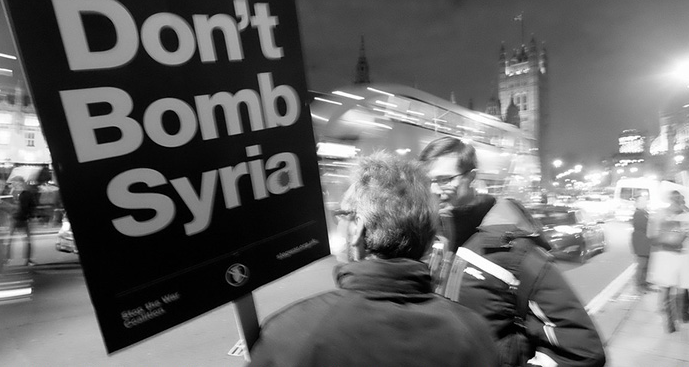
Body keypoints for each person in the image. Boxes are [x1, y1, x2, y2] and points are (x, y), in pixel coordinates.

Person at [247, 152, 499, 367]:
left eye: (343, 214)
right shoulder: (473, 333)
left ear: (358, 228)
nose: (339, 222)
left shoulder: (292, 333)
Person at [418, 135, 606, 367]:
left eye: (445, 179)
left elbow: (583, 348)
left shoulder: (513, 247)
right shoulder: (432, 240)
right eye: (428, 181)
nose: (434, 190)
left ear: (472, 177)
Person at [647, 190, 689, 333]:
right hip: (679, 255)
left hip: (666, 255)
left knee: (666, 289)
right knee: (679, 288)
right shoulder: (686, 214)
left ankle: (670, 322)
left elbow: (652, 236)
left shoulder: (661, 214)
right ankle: (679, 317)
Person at [6, 175, 37, 265]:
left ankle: (27, 259)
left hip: (22, 218)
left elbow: (32, 205)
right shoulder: (10, 193)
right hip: (13, 219)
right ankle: (7, 259)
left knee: (26, 240)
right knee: (10, 240)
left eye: (14, 182)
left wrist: (30, 215)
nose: (13, 184)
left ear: (20, 182)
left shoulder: (26, 193)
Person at [630, 195, 653, 293]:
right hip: (641, 242)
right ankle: (639, 285)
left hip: (645, 242)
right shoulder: (639, 213)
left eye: (645, 201)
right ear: (637, 203)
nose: (645, 203)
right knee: (642, 264)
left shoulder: (644, 212)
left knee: (646, 264)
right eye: (643, 201)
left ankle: (644, 283)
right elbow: (644, 226)